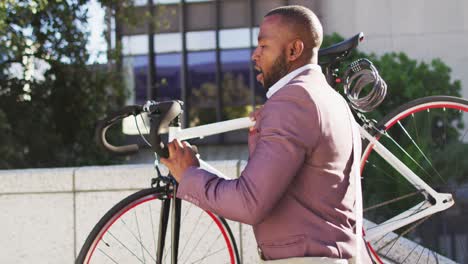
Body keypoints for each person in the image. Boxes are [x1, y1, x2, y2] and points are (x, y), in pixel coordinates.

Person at [161, 5, 371, 264]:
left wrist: (189, 175)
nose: (254, 55)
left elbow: (248, 202)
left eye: (263, 46)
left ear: (294, 50)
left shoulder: (293, 102)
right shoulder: (330, 100)